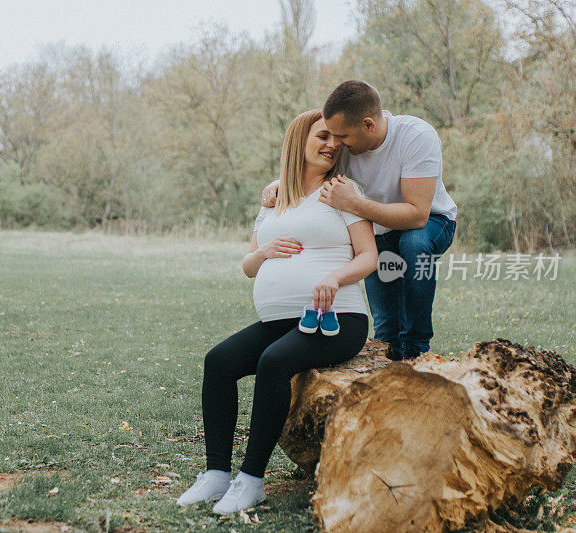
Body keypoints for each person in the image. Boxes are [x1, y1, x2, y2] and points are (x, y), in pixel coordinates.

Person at [176, 110, 378, 514]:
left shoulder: (341, 190)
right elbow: (249, 266)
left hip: (335, 319)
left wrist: (335, 279)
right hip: (279, 321)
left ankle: (251, 480)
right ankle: (216, 473)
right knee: (218, 361)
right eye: (322, 136)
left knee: (274, 362)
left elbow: (369, 256)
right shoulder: (274, 199)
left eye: (336, 139)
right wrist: (264, 252)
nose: (331, 145)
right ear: (298, 141)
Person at [261, 80, 457, 361]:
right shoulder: (347, 148)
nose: (335, 144)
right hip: (381, 231)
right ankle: (391, 366)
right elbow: (312, 167)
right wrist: (278, 182)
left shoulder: (416, 136)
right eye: (330, 136)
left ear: (368, 125)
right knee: (387, 327)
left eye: (341, 136)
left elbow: (417, 215)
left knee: (414, 245)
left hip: (431, 224)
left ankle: (418, 348)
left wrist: (354, 204)